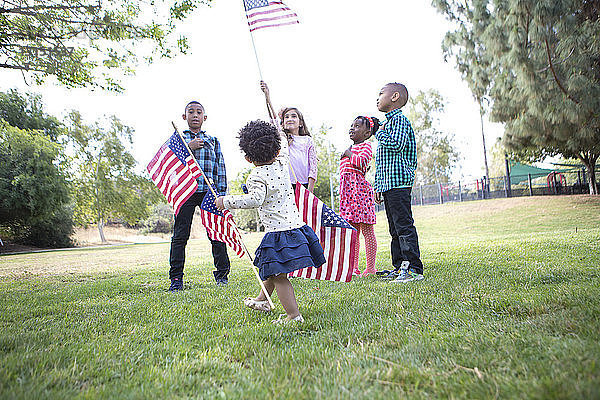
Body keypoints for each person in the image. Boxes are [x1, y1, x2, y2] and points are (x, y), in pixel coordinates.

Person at [215, 91, 325, 323]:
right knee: (272, 268)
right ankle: (262, 299)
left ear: (247, 157)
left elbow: (254, 199)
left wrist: (226, 201)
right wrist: (273, 115)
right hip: (296, 227)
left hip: (278, 233)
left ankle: (293, 315)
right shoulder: (284, 163)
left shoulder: (256, 176)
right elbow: (283, 144)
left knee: (278, 274)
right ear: (277, 150)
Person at [168, 101, 231, 291]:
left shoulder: (213, 140)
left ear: (205, 117)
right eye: (191, 112)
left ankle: (222, 275)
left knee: (216, 233)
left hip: (209, 191)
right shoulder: (178, 138)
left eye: (199, 112)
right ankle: (176, 278)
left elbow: (220, 167)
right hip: (187, 191)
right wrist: (189, 146)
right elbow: (172, 163)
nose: (195, 115)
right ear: (184, 116)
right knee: (180, 235)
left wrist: (221, 194)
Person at [373, 83, 424, 283]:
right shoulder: (388, 124)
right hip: (388, 184)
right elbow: (382, 160)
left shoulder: (400, 120)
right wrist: (378, 186)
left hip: (399, 182)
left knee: (404, 225)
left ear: (394, 96)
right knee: (394, 228)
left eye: (380, 94)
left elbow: (396, 144)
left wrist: (378, 131)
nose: (377, 98)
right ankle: (399, 266)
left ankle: (413, 268)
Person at [339, 116, 379, 277]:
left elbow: (362, 162)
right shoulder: (352, 147)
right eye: (351, 125)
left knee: (367, 230)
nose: (352, 128)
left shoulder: (366, 146)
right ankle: (353, 268)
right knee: (353, 232)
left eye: (357, 126)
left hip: (360, 194)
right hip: (348, 195)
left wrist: (348, 154)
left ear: (367, 132)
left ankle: (370, 268)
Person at [261, 81, 317, 192]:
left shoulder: (307, 140)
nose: (290, 118)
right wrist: (267, 96)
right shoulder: (282, 138)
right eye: (286, 117)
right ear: (283, 123)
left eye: (293, 116)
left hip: (303, 185)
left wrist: (310, 191)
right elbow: (273, 118)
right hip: (285, 184)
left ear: (300, 123)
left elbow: (313, 167)